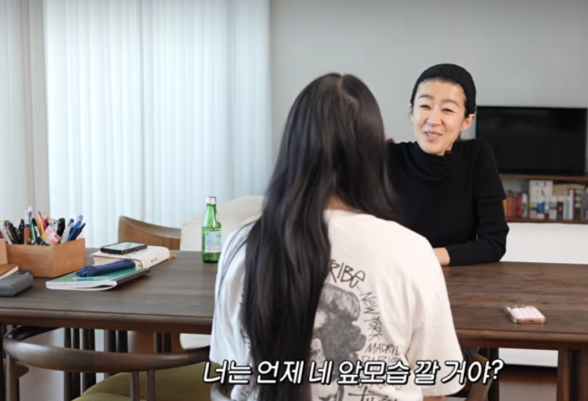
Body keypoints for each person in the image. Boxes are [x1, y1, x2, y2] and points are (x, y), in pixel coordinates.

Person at [208, 73, 465, 401]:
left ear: (292, 148)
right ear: (373, 154)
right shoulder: (413, 252)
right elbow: (434, 389)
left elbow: (233, 367)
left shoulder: (242, 245)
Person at [387, 63, 509, 268]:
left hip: (458, 281)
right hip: (394, 277)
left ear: (467, 121)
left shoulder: (477, 156)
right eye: (425, 106)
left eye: (447, 109)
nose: (433, 120)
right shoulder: (387, 157)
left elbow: (494, 243)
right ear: (411, 111)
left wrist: (424, 257)